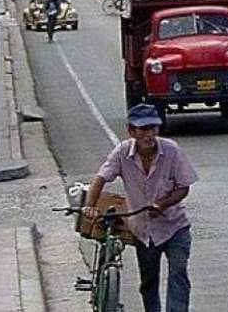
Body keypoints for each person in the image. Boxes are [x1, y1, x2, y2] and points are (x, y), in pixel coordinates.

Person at [83, 104, 198, 312]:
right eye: (143, 129)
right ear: (131, 131)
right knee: (148, 283)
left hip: (175, 227)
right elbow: (101, 178)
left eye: (153, 128)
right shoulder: (122, 152)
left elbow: (183, 187)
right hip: (143, 232)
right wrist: (89, 206)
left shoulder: (171, 151)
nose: (149, 135)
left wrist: (162, 204)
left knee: (178, 274)